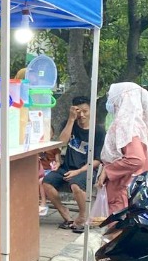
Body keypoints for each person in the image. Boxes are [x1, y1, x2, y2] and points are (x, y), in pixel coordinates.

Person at [97, 82, 148, 214]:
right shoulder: (139, 125)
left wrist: (108, 170)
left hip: (123, 188)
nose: (110, 101)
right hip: (131, 188)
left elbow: (136, 159)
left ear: (122, 98)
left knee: (117, 231)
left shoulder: (127, 126)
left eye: (111, 97)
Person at [42, 96, 104, 233]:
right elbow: (62, 142)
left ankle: (82, 217)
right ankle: (66, 215)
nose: (81, 115)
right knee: (47, 182)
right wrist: (71, 119)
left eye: (85, 111)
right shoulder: (70, 123)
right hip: (66, 167)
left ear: (91, 110)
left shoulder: (98, 131)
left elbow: (97, 160)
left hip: (86, 169)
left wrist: (78, 172)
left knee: (75, 184)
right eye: (78, 111)